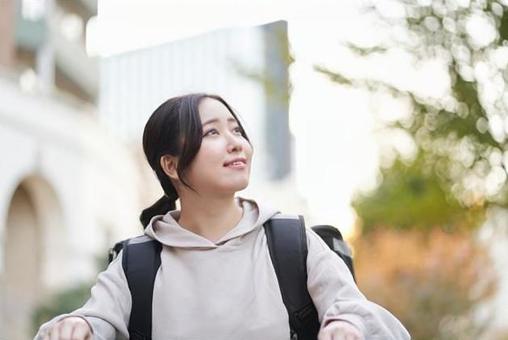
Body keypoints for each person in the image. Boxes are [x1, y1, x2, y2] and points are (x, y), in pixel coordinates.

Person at [35, 93, 410, 340]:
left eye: (236, 130)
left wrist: (346, 325)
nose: (236, 142)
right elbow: (97, 320)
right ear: (171, 165)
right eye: (212, 132)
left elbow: (358, 311)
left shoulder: (290, 241)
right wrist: (78, 325)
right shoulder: (138, 263)